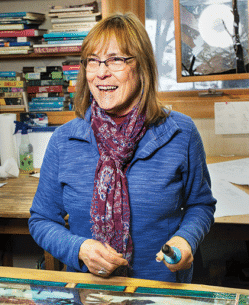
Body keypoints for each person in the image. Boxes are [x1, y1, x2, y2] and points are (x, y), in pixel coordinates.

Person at [29, 12, 216, 283]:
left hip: (161, 294)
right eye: (93, 61)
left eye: (116, 59)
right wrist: (79, 249)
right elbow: (41, 220)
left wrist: (186, 240)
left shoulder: (181, 133)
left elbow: (201, 205)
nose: (102, 72)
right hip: (89, 296)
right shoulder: (64, 140)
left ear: (142, 67)